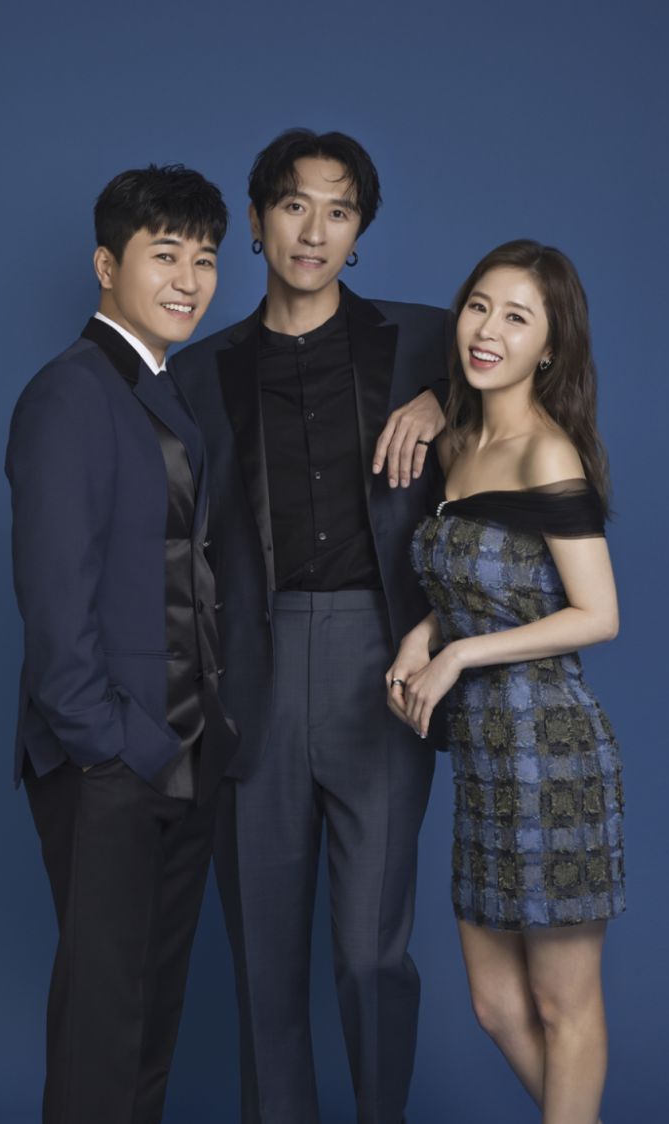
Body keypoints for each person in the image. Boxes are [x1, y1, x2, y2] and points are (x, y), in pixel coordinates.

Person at [170, 128, 452, 1124]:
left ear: (360, 230)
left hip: (384, 661)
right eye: (295, 205)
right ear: (257, 221)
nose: (315, 230)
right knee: (265, 957)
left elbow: (542, 385)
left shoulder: (427, 342)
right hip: (252, 664)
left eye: (339, 210)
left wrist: (446, 402)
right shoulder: (198, 374)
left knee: (372, 952)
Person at [5, 164, 239, 1124]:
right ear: (107, 266)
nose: (189, 280)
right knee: (102, 1029)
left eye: (205, 259)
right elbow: (55, 602)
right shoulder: (70, 393)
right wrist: (110, 745)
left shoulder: (161, 388)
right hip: (111, 761)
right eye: (165, 255)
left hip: (184, 751)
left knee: (148, 1023)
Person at [388, 239, 625, 1124]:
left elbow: (597, 614)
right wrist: (424, 634)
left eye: (517, 318)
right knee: (495, 1006)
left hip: (551, 754)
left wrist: (456, 657)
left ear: (550, 347)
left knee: (564, 1004)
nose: (488, 330)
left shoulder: (546, 452)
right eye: (479, 307)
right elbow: (479, 586)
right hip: (484, 761)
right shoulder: (459, 441)